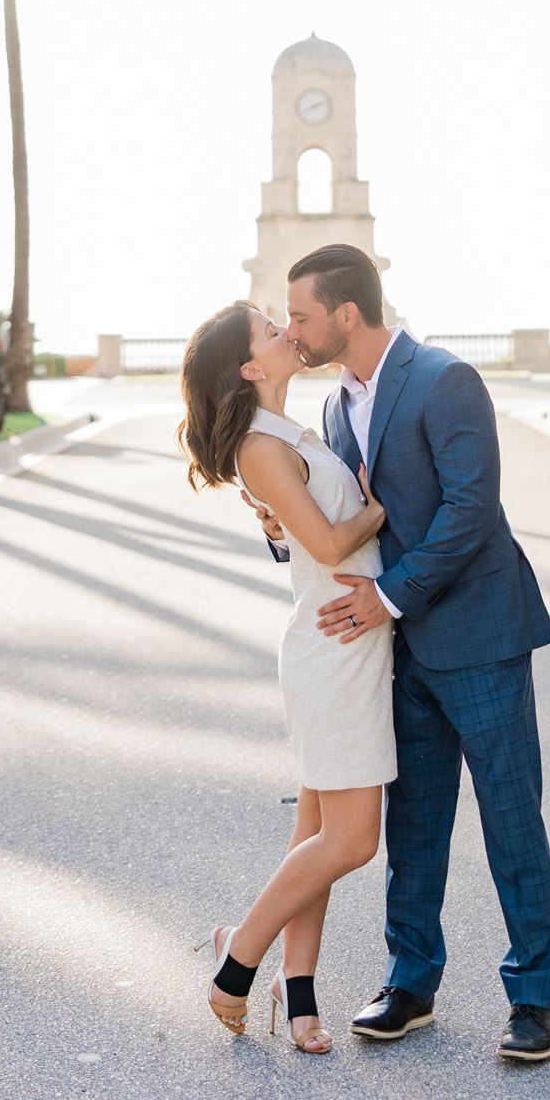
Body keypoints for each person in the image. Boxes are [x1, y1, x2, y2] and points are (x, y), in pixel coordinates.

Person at [248, 243, 550, 1065]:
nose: (294, 328)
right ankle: (409, 981)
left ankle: (531, 998)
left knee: (509, 821)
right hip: (394, 653)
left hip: (479, 635)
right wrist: (286, 534)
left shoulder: (444, 379)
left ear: (345, 315)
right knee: (414, 827)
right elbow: (348, 526)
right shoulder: (331, 410)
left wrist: (390, 597)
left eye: (304, 316)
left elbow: (470, 507)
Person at [178, 300, 398, 1054]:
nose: (289, 333)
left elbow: (298, 536)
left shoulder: (295, 430)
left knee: (315, 834)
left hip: (352, 645)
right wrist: (377, 507)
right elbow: (334, 542)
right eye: (273, 331)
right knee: (350, 842)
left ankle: (296, 988)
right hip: (331, 651)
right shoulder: (260, 446)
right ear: (249, 366)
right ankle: (237, 958)